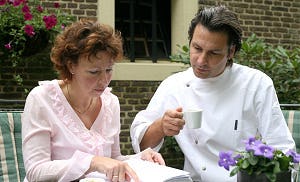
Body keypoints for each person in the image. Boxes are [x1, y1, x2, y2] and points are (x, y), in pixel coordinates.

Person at [130, 5, 296, 182]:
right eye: (197, 48)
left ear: (230, 52)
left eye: (214, 53)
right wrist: (161, 126)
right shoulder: (174, 85)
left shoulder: (256, 84)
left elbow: (283, 150)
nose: (201, 60)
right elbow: (141, 145)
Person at [21, 18, 165, 182]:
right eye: (94, 72)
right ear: (71, 66)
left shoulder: (111, 102)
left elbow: (113, 158)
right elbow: (35, 172)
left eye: (109, 70)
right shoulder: (41, 99)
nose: (104, 80)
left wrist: (139, 158)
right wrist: (92, 162)